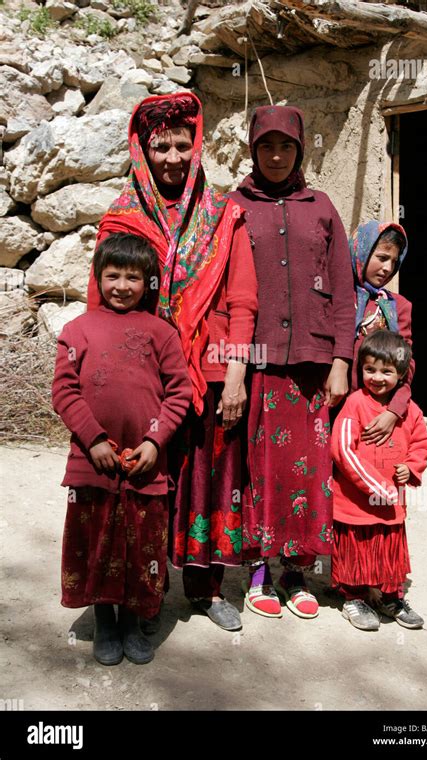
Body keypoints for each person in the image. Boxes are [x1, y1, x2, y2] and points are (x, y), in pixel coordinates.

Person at [88, 93, 258, 632]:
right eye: (160, 146)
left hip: (209, 370)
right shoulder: (121, 218)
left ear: (198, 146)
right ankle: (143, 589)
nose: (172, 157)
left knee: (206, 481)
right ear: (141, 148)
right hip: (141, 377)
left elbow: (243, 300)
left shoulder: (223, 215)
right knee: (146, 481)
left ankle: (206, 589)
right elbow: (99, 304)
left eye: (183, 145)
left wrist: (235, 374)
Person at [229, 105, 355, 619]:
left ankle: (296, 571)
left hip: (313, 363)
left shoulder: (321, 206)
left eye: (286, 147)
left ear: (300, 151)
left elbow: (344, 293)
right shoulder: (234, 206)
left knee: (307, 473)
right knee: (261, 471)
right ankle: (257, 572)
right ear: (253, 151)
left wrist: (341, 361)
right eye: (266, 146)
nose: (276, 156)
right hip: (259, 363)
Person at [52, 233, 193, 665]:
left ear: (148, 282)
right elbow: (64, 390)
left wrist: (155, 441)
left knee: (141, 547)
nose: (121, 286)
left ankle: (133, 621)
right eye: (112, 275)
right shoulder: (77, 331)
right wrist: (93, 438)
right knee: (97, 542)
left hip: (145, 467)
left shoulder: (161, 333)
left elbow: (179, 393)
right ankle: (105, 621)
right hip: (92, 464)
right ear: (98, 278)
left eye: (133, 277)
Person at [331, 330, 427, 631]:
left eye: (387, 371)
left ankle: (390, 596)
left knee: (389, 552)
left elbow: (422, 444)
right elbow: (342, 450)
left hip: (391, 505)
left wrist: (411, 469)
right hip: (355, 502)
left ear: (401, 374)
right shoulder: (354, 405)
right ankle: (354, 597)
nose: (377, 377)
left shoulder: (409, 412)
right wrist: (377, 487)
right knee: (355, 550)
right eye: (369, 369)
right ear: (359, 369)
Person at [350, 220, 414, 447]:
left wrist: (394, 411)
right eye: (382, 257)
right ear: (362, 251)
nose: (388, 268)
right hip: (338, 409)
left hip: (379, 413)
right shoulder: (339, 300)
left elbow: (405, 363)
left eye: (394, 261)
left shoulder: (399, 306)